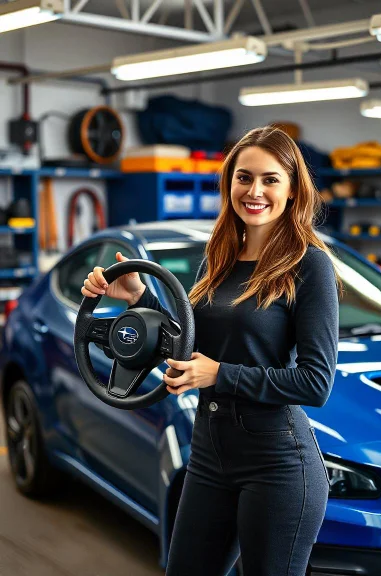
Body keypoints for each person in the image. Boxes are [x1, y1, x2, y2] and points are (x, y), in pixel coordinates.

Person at [81, 125, 342, 576]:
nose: (254, 191)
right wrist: (138, 297)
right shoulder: (218, 256)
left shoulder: (309, 265)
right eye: (243, 177)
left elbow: (315, 383)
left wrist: (219, 374)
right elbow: (190, 351)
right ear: (229, 183)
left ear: (294, 188)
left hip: (277, 463)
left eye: (270, 179)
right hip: (208, 454)